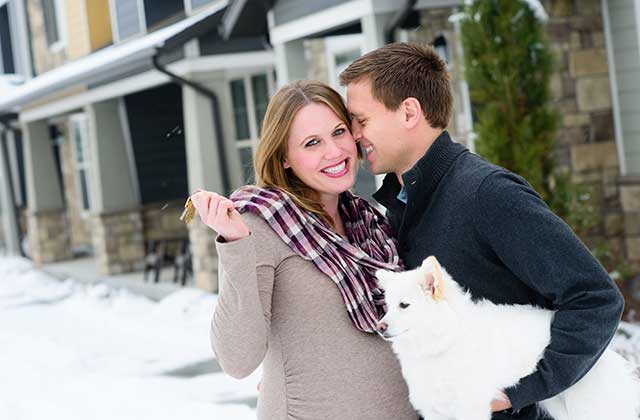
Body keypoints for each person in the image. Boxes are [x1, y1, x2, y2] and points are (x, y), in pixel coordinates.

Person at [339, 42, 625, 420]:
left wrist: (518, 393)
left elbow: (595, 297)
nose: (355, 135)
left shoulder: (487, 194)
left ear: (409, 112)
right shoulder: (398, 206)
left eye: (362, 120)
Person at [191, 81, 418, 419]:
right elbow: (237, 360)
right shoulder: (261, 225)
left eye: (338, 132)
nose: (334, 152)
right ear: (284, 157)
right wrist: (236, 247)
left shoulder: (367, 221)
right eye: (312, 143)